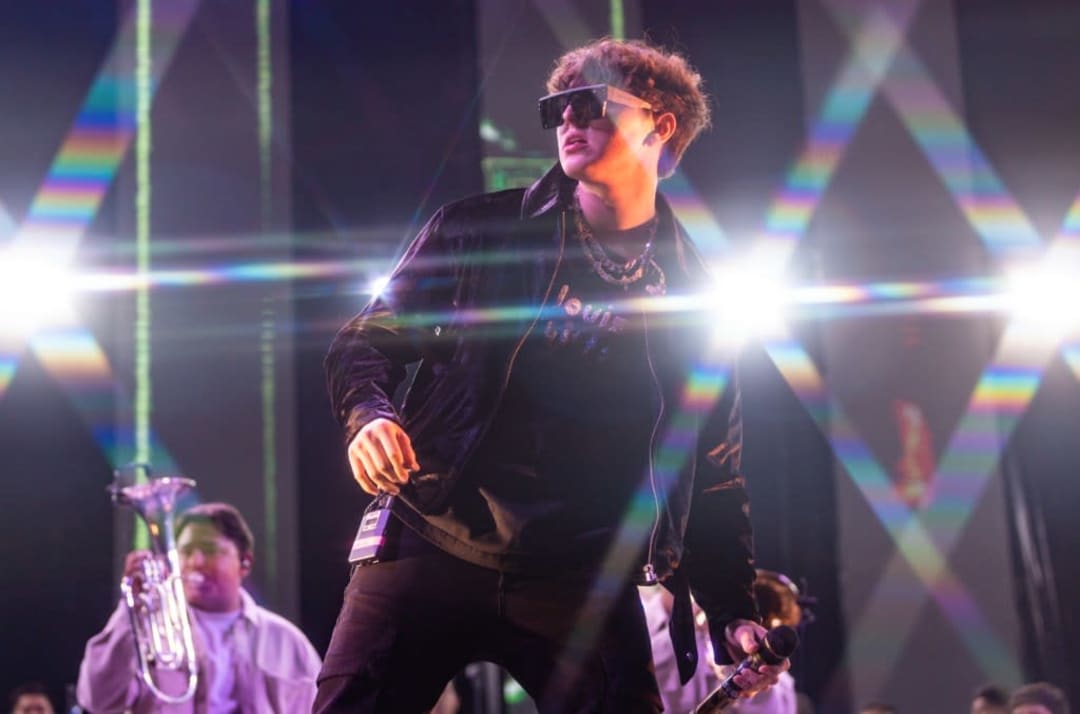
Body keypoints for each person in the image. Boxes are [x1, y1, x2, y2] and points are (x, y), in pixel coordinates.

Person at [316, 37, 788, 713]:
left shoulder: (698, 300)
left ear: (659, 126)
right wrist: (370, 416)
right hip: (432, 535)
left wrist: (733, 611)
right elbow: (364, 341)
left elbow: (712, 471)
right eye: (557, 107)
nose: (568, 118)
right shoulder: (480, 231)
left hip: (579, 574)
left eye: (590, 102)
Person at [76, 502, 322, 713]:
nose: (195, 562)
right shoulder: (148, 631)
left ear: (245, 562)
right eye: (185, 551)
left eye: (210, 550)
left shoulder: (288, 641)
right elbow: (96, 701)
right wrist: (132, 609)